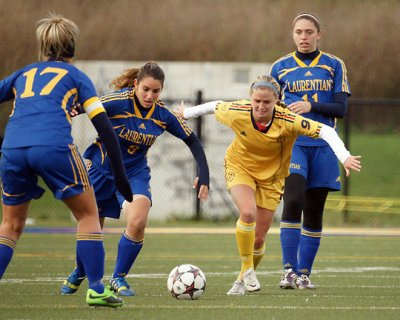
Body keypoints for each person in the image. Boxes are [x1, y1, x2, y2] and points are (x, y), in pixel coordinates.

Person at [177, 75, 360, 295]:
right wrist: (185, 113)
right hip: (240, 167)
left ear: (276, 100)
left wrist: (344, 156)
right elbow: (214, 106)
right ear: (250, 99)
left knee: (260, 238)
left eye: (266, 102)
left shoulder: (289, 120)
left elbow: (326, 131)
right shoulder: (238, 111)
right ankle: (247, 270)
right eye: (257, 101)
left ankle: (240, 281)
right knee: (248, 213)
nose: (261, 106)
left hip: (272, 179)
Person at [0, 13, 133, 308]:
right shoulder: (76, 77)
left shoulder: (23, 75)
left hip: (12, 148)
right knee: (88, 214)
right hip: (53, 147)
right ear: (72, 48)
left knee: (10, 225)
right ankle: (97, 288)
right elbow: (106, 130)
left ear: (43, 48)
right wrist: (121, 178)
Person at [61, 61, 210, 296]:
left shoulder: (162, 114)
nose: (150, 95)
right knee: (91, 229)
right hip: (100, 170)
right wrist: (70, 109)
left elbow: (192, 139)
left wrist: (204, 174)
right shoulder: (119, 101)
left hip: (134, 173)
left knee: (138, 221)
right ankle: (81, 271)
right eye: (146, 89)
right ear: (136, 84)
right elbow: (89, 106)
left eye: (156, 91)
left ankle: (118, 278)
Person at [269, 12, 352, 289]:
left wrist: (310, 106)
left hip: (325, 145)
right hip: (294, 144)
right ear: (292, 35)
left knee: (314, 210)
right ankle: (288, 271)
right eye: (298, 32)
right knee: (293, 201)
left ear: (319, 34)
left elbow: (340, 108)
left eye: (308, 32)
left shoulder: (333, 65)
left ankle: (304, 274)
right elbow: (269, 107)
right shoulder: (279, 67)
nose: (303, 37)